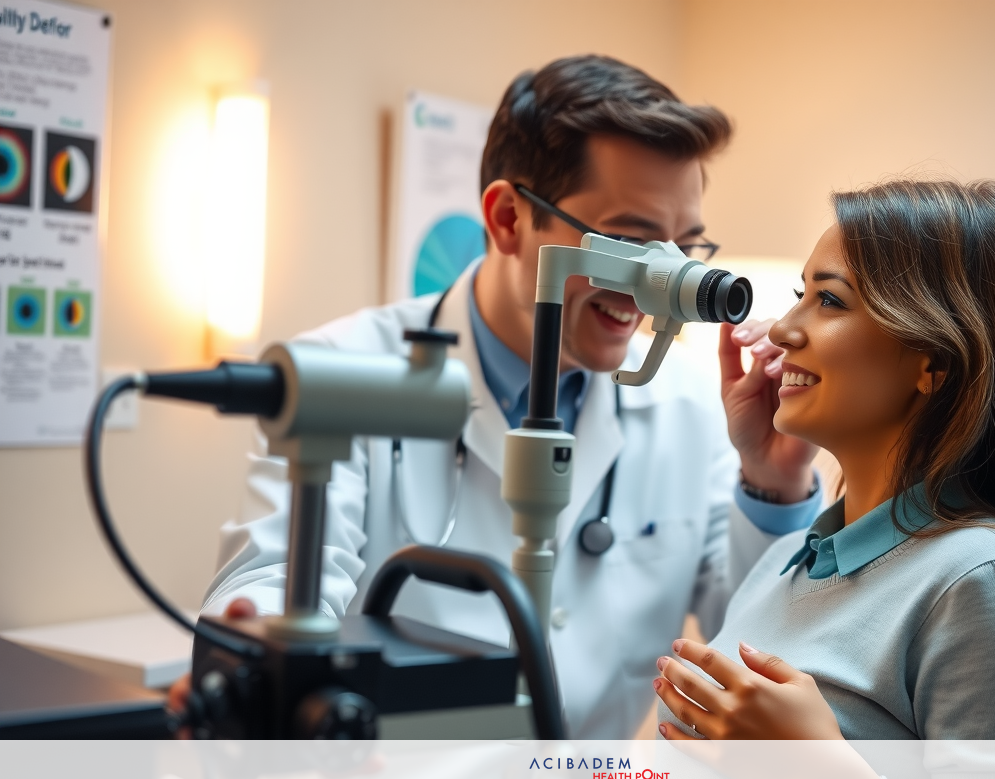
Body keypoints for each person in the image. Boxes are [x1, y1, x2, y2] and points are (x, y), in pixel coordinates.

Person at [189, 55, 825, 739]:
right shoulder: (339, 373)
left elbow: (759, 649)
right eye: (632, 244)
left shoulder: (689, 404)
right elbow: (277, 579)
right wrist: (254, 638)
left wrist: (775, 484)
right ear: (507, 220)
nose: (654, 286)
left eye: (684, 249)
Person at [654, 180, 995, 746]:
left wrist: (822, 775)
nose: (780, 329)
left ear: (936, 362)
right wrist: (769, 476)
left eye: (828, 300)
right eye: (801, 294)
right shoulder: (792, 558)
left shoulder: (985, 586)